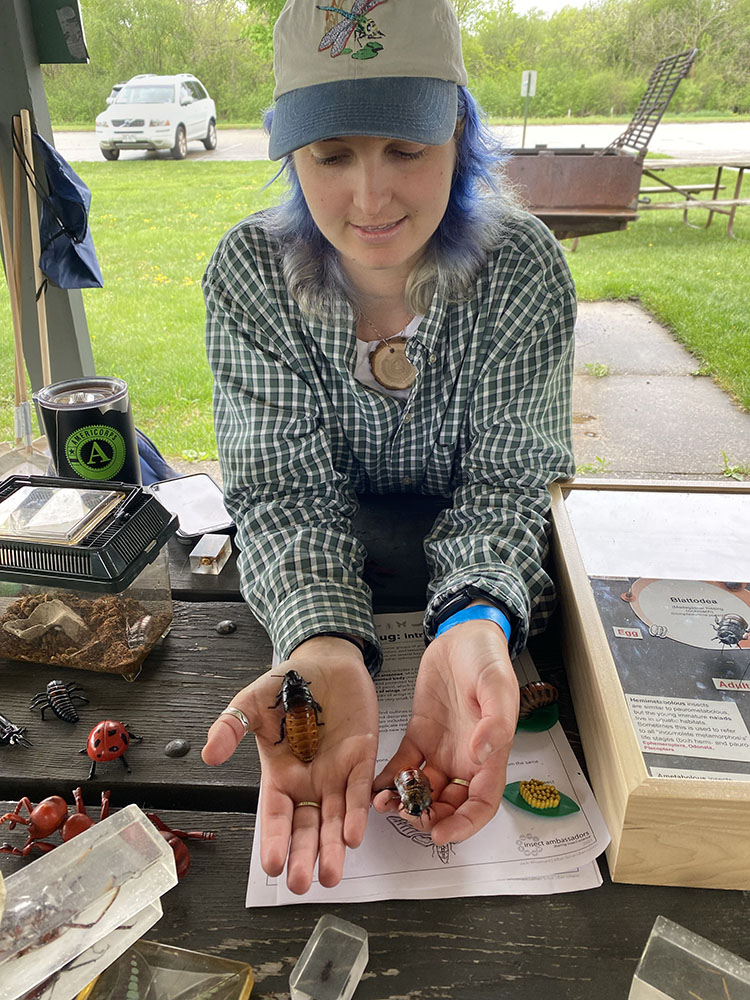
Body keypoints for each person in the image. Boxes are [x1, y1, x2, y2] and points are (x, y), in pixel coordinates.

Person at [201, 0, 576, 895]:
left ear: (459, 130)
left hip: (474, 593)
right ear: (292, 155)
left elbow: (509, 483)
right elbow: (284, 495)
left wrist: (477, 616)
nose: (370, 200)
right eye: (332, 156)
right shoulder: (249, 274)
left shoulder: (522, 267)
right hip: (329, 577)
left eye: (405, 149)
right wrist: (325, 639)